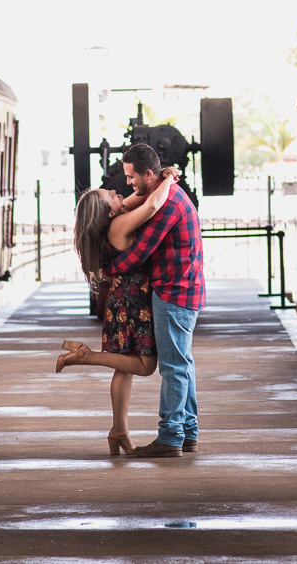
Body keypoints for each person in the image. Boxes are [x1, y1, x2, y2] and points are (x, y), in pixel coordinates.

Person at [59, 165, 182, 456]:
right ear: (108, 212)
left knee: (123, 369)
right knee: (145, 365)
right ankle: (85, 356)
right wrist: (169, 177)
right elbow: (152, 204)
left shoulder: (114, 217)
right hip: (132, 303)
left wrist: (157, 181)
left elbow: (139, 197)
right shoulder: (119, 224)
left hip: (121, 302)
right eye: (111, 195)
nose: (117, 192)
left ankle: (119, 431)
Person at [109, 143, 204, 458]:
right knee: (183, 365)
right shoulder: (166, 193)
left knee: (174, 368)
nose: (128, 183)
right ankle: (187, 432)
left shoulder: (167, 204)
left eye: (131, 176)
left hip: (173, 293)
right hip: (181, 290)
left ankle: (170, 438)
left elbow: (139, 254)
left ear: (148, 173)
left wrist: (108, 270)